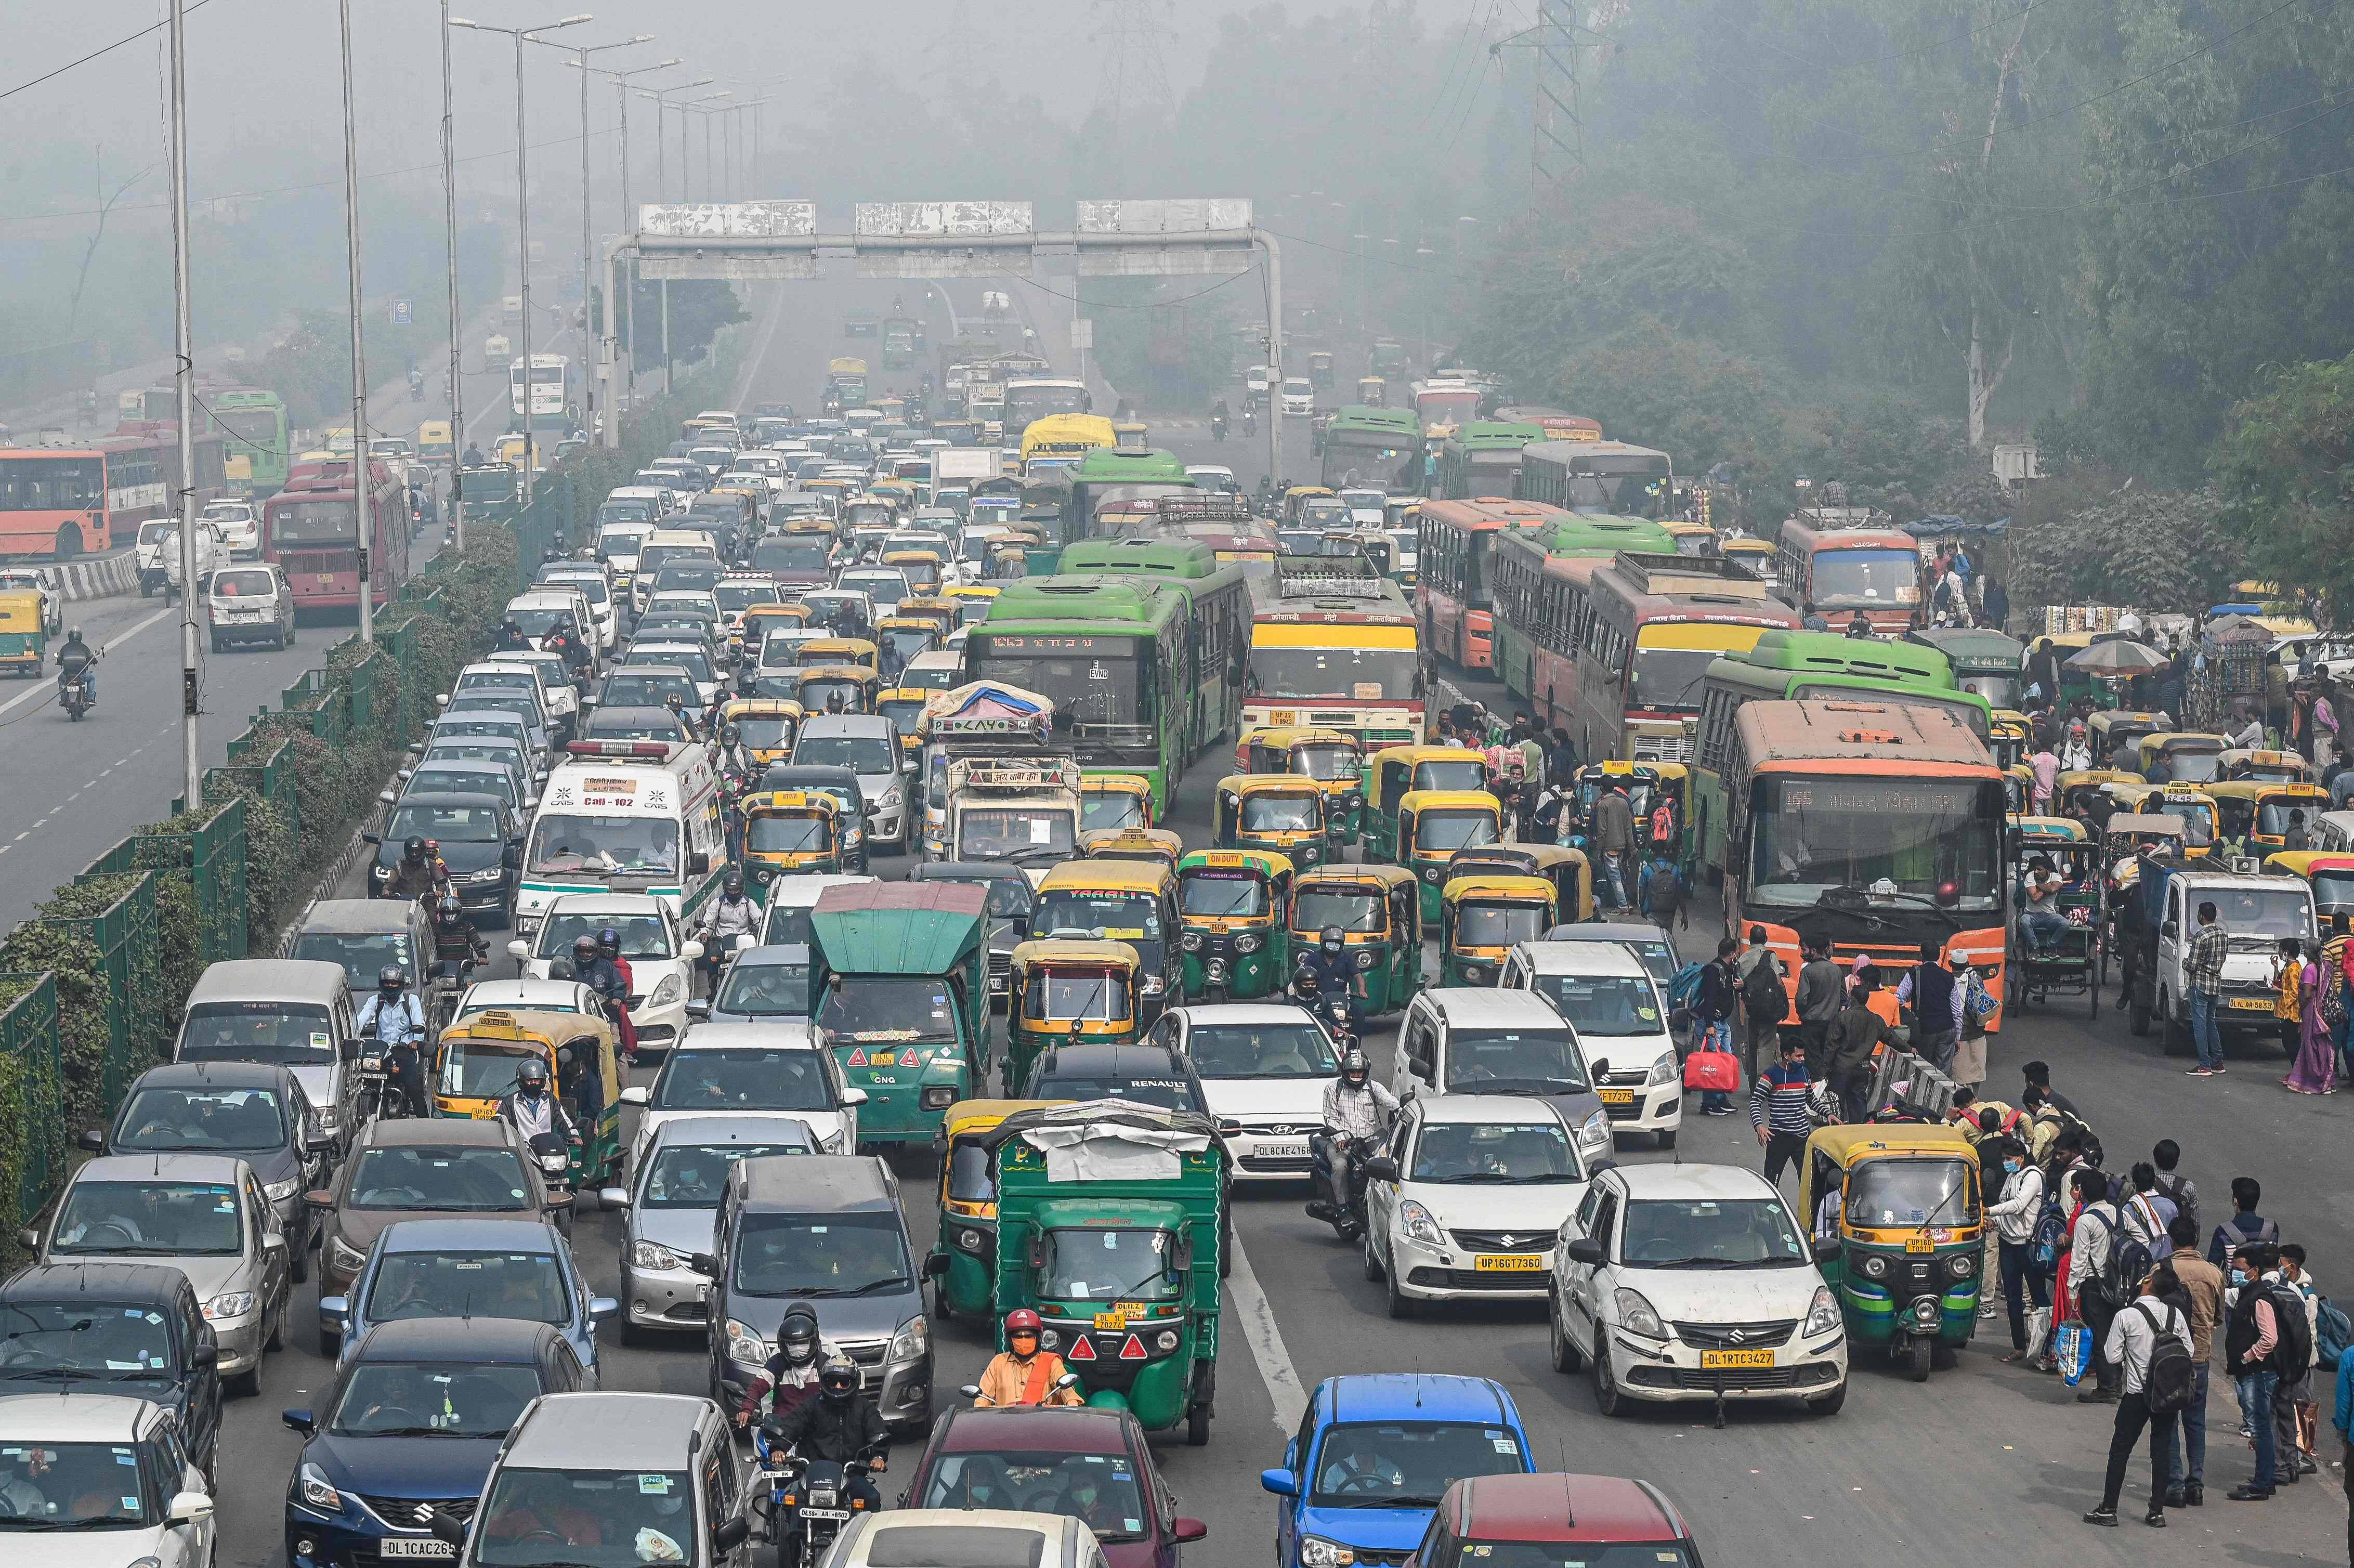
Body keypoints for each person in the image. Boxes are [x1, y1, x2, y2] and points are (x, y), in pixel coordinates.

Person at [2082, 1267, 2194, 1528]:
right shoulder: (2175, 1315)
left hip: (2137, 1394)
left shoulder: (2127, 1315)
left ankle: (2109, 1508)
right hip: (2166, 1395)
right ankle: (2156, 1512)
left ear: (2148, 1282)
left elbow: (2112, 1357)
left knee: (2120, 1451)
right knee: (2161, 1452)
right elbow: (2188, 1351)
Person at [764, 1353, 888, 1518]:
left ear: (854, 1382)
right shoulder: (812, 1405)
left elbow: (878, 1431)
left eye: (844, 1383)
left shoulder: (864, 1408)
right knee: (793, 1502)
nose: (838, 1387)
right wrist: (779, 1448)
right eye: (833, 1381)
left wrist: (878, 1457)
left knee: (872, 1498)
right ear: (824, 1381)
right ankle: (795, 1535)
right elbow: (792, 1425)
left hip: (850, 1474)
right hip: (812, 1474)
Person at [2225, 1242, 2290, 1500]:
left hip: (2259, 1372)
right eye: (2234, 1269)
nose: (2236, 1274)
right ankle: (2264, 1478)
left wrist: (2247, 1357)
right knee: (2260, 1426)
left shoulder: (2260, 1298)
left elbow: (2270, 1339)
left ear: (2254, 1271)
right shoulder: (2248, 1293)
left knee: (2261, 1428)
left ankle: (2263, 1485)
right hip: (2254, 1372)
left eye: (2241, 1269)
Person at [1312, 1049, 1396, 1232]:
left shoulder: (1373, 1088)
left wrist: (1404, 1109)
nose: (1357, 1075)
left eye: (1360, 1072)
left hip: (1368, 1143)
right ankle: (1343, 1209)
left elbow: (1391, 1101)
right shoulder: (1333, 1089)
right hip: (1341, 1143)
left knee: (1390, 1166)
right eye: (1353, 1072)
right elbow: (1331, 1118)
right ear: (1345, 1071)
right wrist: (1341, 1138)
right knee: (1340, 1165)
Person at [2066, 1166, 2124, 1403]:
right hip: (2117, 1283)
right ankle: (2117, 1384)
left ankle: (2107, 1388)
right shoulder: (2118, 1213)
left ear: (2083, 1193)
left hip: (2093, 1285)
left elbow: (2079, 1259)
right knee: (2115, 1334)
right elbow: (2139, 1239)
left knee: (2101, 1337)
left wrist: (2072, 1291)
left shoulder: (2086, 1220)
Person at [1987, 1139, 2049, 1362]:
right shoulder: (2012, 1176)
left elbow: (2018, 1206)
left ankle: (2049, 1346)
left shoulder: (2033, 1176)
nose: (2006, 1162)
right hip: (2007, 1244)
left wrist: (1989, 1211)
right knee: (2013, 1299)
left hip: (2027, 1245)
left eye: (2009, 1158)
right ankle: (2019, 1346)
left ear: (2021, 1158)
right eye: (2004, 1159)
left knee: (2039, 1297)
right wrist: (1994, 1221)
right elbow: (2007, 1209)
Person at [355, 966, 428, 1117]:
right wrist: (351, 1036)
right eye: (387, 983)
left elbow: (419, 1024)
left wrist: (415, 1042)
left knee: (414, 1086)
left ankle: (425, 1123)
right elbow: (359, 1023)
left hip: (404, 1051)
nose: (390, 986)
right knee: (362, 1079)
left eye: (394, 983)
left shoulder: (411, 1001)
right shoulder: (376, 1001)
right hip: (381, 1052)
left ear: (401, 985)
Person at [976, 1309, 1082, 1407]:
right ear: (1010, 1339)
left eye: (1028, 1336)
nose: (1023, 1340)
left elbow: (1068, 1393)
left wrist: (1072, 1406)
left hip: (1041, 1420)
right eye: (1018, 1336)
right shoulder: (998, 1362)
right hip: (1005, 1420)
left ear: (1038, 1338)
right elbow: (983, 1397)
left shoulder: (1051, 1362)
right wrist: (979, 1412)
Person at [1822, 970, 1888, 1121]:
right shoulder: (1876, 1020)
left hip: (1842, 1068)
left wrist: (1825, 1068)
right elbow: (1891, 1038)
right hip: (1863, 1068)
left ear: (1853, 999)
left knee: (1837, 1103)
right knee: (1858, 1101)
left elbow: (1831, 1045)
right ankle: (1858, 1129)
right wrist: (1910, 1049)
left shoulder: (1842, 1017)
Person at [1749, 1035, 1812, 1187]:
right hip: (1779, 1138)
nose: (1802, 1059)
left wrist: (1828, 1113)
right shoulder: (1771, 1075)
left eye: (1803, 1056)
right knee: (1771, 1184)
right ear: (1786, 1056)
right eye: (1798, 1056)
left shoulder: (1804, 1073)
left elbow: (1811, 1099)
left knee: (1809, 1185)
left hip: (1803, 1138)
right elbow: (1755, 1101)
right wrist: (1759, 1126)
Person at [1894, 942, 1962, 1073]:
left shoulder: (1913, 974)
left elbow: (1898, 1000)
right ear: (1939, 956)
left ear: (1921, 955)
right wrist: (1958, 1037)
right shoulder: (1949, 977)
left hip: (1924, 1030)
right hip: (1947, 1030)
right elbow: (1957, 1012)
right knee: (1943, 1073)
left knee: (1923, 1070)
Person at [1695, 937, 1743, 1116]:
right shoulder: (1713, 970)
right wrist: (1709, 1025)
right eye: (1737, 951)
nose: (1739, 954)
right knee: (1712, 1065)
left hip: (1723, 1023)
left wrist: (1741, 986)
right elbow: (1709, 998)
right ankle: (1709, 1103)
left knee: (1724, 1063)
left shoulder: (1729, 970)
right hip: (1713, 1024)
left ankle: (1720, 1098)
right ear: (1732, 953)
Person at [497, 1056, 579, 1154]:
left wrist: (574, 1136)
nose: (533, 1083)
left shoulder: (550, 1099)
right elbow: (498, 1122)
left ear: (542, 1081)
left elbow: (564, 1120)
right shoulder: (511, 1101)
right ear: (522, 1082)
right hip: (522, 1152)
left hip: (547, 1152)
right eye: (529, 1080)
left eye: (537, 1080)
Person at [696, 870, 759, 996]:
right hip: (721, 941)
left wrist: (760, 930)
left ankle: (754, 988)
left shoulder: (750, 904)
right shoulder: (717, 903)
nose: (733, 893)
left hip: (744, 942)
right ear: (725, 889)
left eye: (736, 890)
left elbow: (758, 920)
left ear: (742, 889)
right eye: (730, 890)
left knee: (756, 962)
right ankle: (713, 991)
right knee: (712, 958)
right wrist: (704, 932)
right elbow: (708, 921)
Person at [2183, 900, 2228, 1077]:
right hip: (2215, 985)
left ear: (2202, 916)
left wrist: (2185, 963)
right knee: (2211, 1023)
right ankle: (2218, 1062)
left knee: (2200, 1026)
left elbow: (2192, 965)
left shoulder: (2201, 936)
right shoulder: (2223, 935)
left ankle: (2204, 1065)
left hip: (2201, 985)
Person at [1791, 938, 1842, 1079]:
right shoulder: (1837, 970)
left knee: (1813, 1059)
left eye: (1804, 950)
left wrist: (1801, 1013)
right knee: (1828, 1057)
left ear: (1814, 951)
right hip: (1832, 1023)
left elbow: (1801, 1000)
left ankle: (1816, 1085)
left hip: (1811, 1023)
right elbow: (1844, 997)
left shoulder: (1808, 971)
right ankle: (1826, 1084)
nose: (1802, 953)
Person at [1592, 783, 1637, 910]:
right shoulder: (1623, 803)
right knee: (1617, 876)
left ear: (1602, 788)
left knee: (1615, 878)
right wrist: (1632, 847)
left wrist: (1598, 850)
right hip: (1622, 846)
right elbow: (1628, 828)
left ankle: (1623, 906)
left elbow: (1602, 831)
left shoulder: (1602, 805)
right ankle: (1618, 902)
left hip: (1609, 848)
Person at [2021, 856, 2067, 957]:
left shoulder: (2056, 877)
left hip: (2049, 916)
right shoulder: (2030, 876)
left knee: (2065, 924)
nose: (2036, 872)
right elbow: (2035, 898)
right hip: (2032, 915)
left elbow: (2053, 889)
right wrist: (2048, 888)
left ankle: (2050, 948)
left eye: (2040, 869)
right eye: (2036, 869)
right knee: (2024, 921)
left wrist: (2038, 885)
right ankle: (2035, 948)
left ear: (2048, 871)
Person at [54, 625, 95, 707]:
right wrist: (94, 660)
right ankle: (90, 698)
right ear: (80, 636)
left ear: (69, 636)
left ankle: (63, 698)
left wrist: (59, 662)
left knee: (61, 679)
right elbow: (91, 658)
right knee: (92, 678)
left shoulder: (64, 648)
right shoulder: (85, 648)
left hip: (68, 675)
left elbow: (59, 660)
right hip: (82, 674)